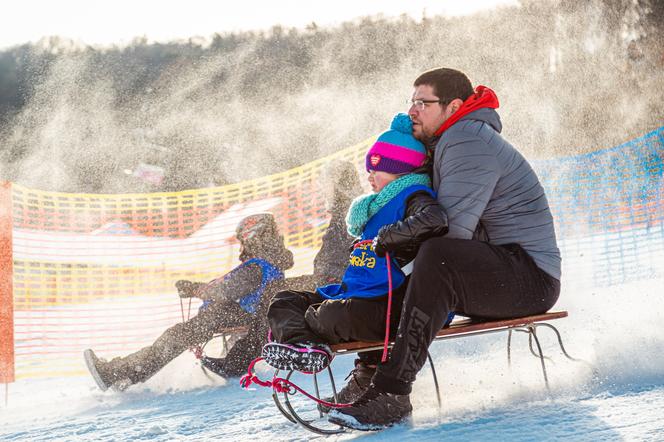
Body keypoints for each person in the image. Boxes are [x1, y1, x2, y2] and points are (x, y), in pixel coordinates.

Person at [327, 68, 562, 430]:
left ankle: (392, 392)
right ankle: (371, 373)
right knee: (399, 258)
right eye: (412, 101)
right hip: (499, 270)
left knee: (436, 254)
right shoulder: (449, 142)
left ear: (453, 106)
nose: (413, 111)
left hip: (529, 278)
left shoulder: (466, 139)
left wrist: (392, 243)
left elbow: (451, 231)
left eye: (423, 102)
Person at [84, 161, 362, 391]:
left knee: (178, 334)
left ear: (251, 238)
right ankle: (125, 371)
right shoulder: (273, 261)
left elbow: (228, 289)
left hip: (234, 313)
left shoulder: (259, 265)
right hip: (249, 312)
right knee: (181, 334)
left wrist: (195, 288)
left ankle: (122, 372)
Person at [262, 114, 449, 380]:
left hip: (389, 303)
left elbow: (435, 220)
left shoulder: (414, 197)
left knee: (330, 315)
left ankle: (304, 338)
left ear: (400, 171)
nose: (369, 177)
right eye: (369, 170)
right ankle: (305, 347)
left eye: (376, 170)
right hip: (356, 294)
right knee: (284, 301)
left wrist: (388, 238)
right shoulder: (374, 207)